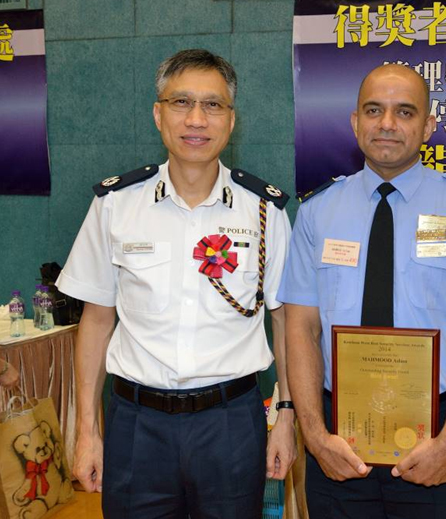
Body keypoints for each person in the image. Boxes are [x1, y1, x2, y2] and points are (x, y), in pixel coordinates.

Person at [56, 49, 295, 519]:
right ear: (158, 114)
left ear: (231, 120)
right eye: (181, 102)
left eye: (213, 105)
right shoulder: (115, 204)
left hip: (231, 424)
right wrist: (87, 429)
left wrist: (284, 415)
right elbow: (97, 320)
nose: (197, 119)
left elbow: (285, 321)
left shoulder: (264, 212)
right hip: (136, 425)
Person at [278, 63, 446, 518]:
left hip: (437, 436)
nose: (387, 124)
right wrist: (314, 436)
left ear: (427, 126)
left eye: (405, 112)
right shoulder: (316, 212)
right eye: (374, 110)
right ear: (354, 122)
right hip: (337, 437)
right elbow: (301, 328)